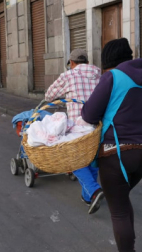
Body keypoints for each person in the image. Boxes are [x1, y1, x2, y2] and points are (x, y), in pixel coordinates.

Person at [81, 38, 142, 252]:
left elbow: (89, 115)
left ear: (109, 62)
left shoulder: (112, 77)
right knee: (122, 201)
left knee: (118, 211)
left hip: (115, 154)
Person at [44, 49, 104, 214]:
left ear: (71, 63)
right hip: (98, 126)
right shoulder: (99, 76)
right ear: (86, 61)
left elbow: (49, 95)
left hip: (79, 127)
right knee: (92, 160)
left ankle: (94, 190)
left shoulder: (68, 76)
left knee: (72, 160)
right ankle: (88, 197)